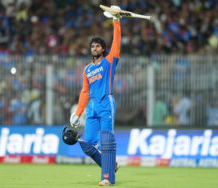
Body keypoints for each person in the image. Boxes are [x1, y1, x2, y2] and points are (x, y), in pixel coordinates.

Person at [69, 6, 121, 186]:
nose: (94, 48)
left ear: (103, 49)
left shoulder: (109, 61)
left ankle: (107, 178)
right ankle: (111, 165)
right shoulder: (87, 69)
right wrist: (77, 113)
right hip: (91, 107)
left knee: (107, 141)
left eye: (97, 46)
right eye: (92, 46)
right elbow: (84, 92)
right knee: (87, 143)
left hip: (106, 103)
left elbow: (116, 43)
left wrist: (116, 21)